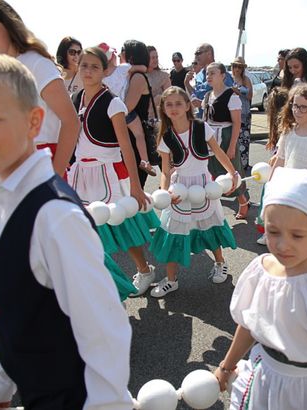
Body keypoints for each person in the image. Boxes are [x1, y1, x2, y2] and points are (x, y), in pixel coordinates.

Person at [0, 53, 133, 409]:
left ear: (33, 122)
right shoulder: (2, 201)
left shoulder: (55, 217)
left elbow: (105, 332)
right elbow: (18, 311)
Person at [215, 167, 307, 410]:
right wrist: (226, 365)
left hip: (305, 392)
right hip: (262, 378)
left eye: (297, 235)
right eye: (273, 232)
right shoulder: (261, 270)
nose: (283, 245)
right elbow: (250, 325)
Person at [68, 47, 159, 298]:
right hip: (80, 173)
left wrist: (135, 186)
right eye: (84, 65)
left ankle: (144, 269)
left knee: (121, 226)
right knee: (86, 229)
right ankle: (97, 282)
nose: (88, 71)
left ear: (105, 70)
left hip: (108, 172)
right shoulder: (75, 100)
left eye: (94, 66)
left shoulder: (113, 102)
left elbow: (125, 145)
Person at [0, 0, 80, 178]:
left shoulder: (36, 63)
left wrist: (54, 176)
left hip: (40, 166)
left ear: (9, 27)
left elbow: (71, 122)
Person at [147, 87, 238, 297]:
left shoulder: (201, 127)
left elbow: (218, 152)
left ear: (188, 105)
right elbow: (166, 171)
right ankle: (171, 279)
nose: (174, 108)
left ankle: (220, 263)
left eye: (179, 103)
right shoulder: (165, 137)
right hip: (179, 189)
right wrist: (164, 193)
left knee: (210, 225)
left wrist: (232, 172)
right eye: (168, 104)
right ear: (163, 108)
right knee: (173, 231)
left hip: (204, 186)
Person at [202, 62, 250, 220]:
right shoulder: (208, 95)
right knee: (211, 171)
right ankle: (211, 206)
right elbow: (205, 119)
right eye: (207, 73)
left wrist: (231, 147)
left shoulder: (231, 95)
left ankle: (243, 201)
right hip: (210, 136)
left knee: (231, 171)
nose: (209, 76)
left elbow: (237, 123)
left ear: (223, 75)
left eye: (213, 73)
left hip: (226, 135)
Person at [255, 86, 289, 246]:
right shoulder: (279, 123)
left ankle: (273, 234)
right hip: (276, 168)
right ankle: (270, 233)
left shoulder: (287, 125)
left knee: (273, 201)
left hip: (282, 170)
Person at [122, 39, 159, 183]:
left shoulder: (137, 77)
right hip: (131, 134)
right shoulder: (133, 74)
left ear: (130, 56)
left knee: (133, 187)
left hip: (134, 136)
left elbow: (127, 107)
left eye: (123, 51)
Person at [185, 43, 234, 117]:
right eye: (195, 54)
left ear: (209, 54)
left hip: (218, 122)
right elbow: (196, 93)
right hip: (202, 119)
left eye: (198, 53)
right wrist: (187, 84)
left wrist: (203, 103)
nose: (196, 56)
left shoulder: (222, 74)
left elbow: (229, 98)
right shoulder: (199, 75)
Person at [231, 56, 253, 169]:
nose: (237, 69)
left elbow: (250, 96)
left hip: (244, 113)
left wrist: (239, 91)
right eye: (235, 66)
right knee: (233, 139)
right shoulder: (229, 79)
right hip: (232, 113)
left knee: (244, 140)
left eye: (239, 67)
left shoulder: (246, 80)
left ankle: (244, 165)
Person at [146, 45, 171, 110]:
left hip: (159, 111)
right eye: (153, 57)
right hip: (144, 112)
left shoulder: (163, 76)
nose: (155, 60)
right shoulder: (140, 76)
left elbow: (169, 96)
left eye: (156, 57)